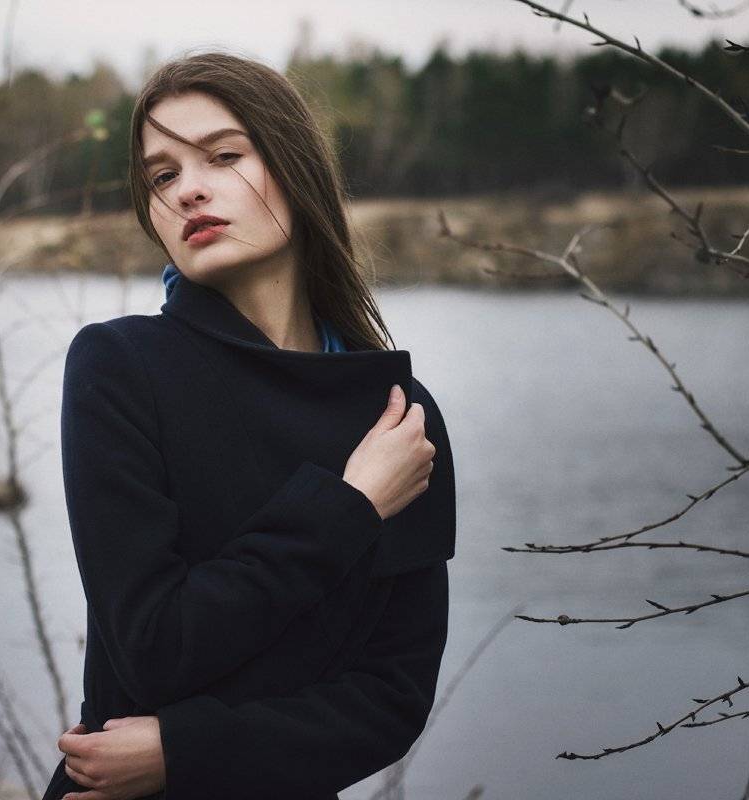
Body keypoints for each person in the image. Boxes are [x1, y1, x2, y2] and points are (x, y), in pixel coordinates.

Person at [42, 50, 456, 800]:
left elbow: (392, 697)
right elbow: (154, 652)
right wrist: (350, 505)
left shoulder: (397, 418)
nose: (189, 189)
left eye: (223, 156)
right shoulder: (120, 368)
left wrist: (186, 748)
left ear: (293, 168)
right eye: (162, 176)